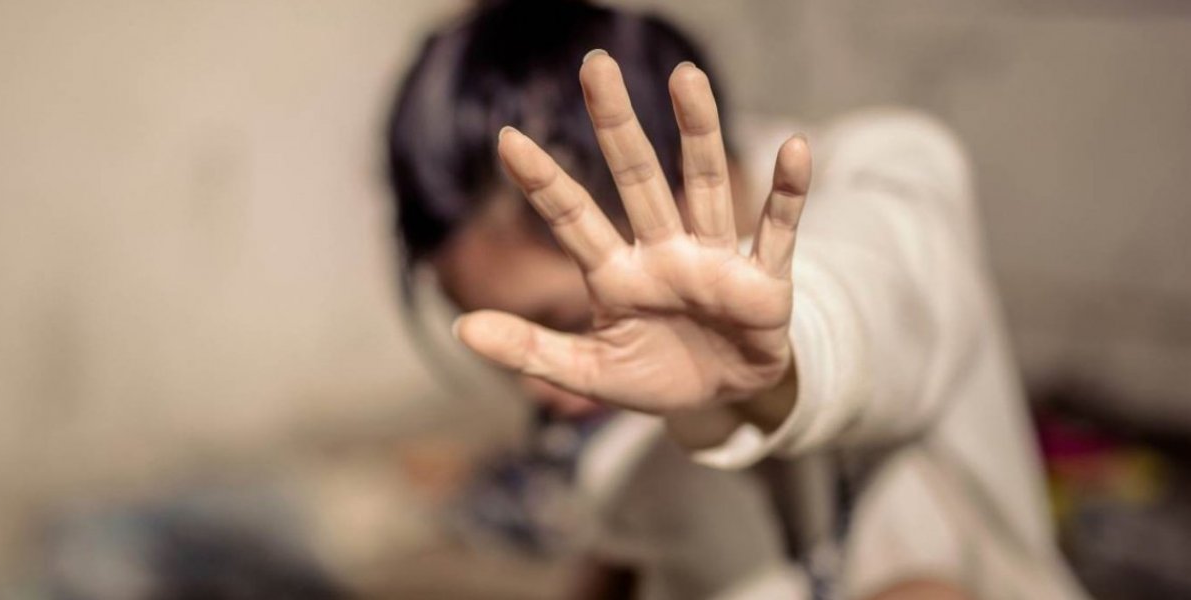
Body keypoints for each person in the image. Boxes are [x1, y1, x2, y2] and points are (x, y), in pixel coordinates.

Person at [386, 1, 1088, 598]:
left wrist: (785, 349)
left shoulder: (887, 174)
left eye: (568, 323)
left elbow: (884, 290)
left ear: (676, 192)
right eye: (506, 344)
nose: (545, 387)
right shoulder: (613, 444)